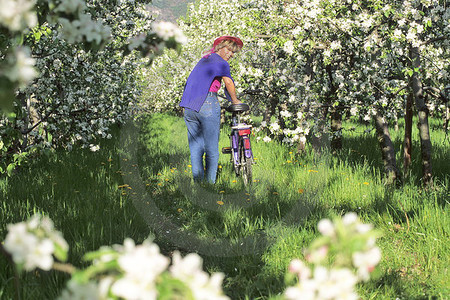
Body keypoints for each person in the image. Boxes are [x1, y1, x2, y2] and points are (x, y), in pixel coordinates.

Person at [180, 36, 243, 183]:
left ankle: (198, 182)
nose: (231, 54)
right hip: (206, 102)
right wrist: (235, 101)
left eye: (233, 52)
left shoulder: (204, 60)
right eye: (228, 50)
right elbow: (228, 82)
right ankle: (210, 184)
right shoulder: (221, 63)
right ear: (220, 47)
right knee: (211, 149)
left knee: (196, 148)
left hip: (189, 105)